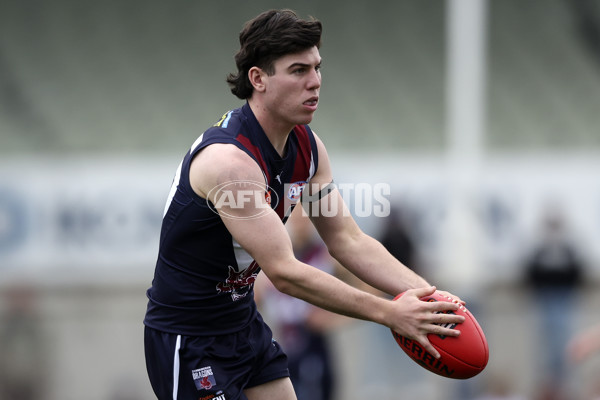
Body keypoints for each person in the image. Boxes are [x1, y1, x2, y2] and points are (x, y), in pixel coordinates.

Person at [144, 9, 465, 400]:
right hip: (189, 337)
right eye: (298, 70)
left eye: (317, 68)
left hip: (242, 325)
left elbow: (348, 240)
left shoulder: (307, 149)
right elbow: (285, 273)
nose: (314, 82)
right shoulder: (230, 165)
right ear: (258, 79)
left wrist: (431, 296)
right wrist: (389, 313)